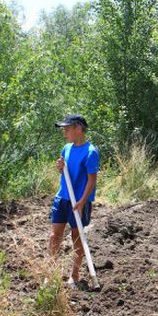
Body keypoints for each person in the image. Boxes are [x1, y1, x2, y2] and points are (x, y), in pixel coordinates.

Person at [48, 114, 100, 287]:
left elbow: (92, 181)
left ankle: (74, 276)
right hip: (62, 197)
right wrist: (60, 168)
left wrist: (82, 201)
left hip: (79, 201)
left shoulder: (91, 152)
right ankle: (51, 272)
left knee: (76, 238)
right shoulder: (66, 148)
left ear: (78, 129)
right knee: (54, 236)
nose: (65, 132)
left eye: (67, 129)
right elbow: (64, 173)